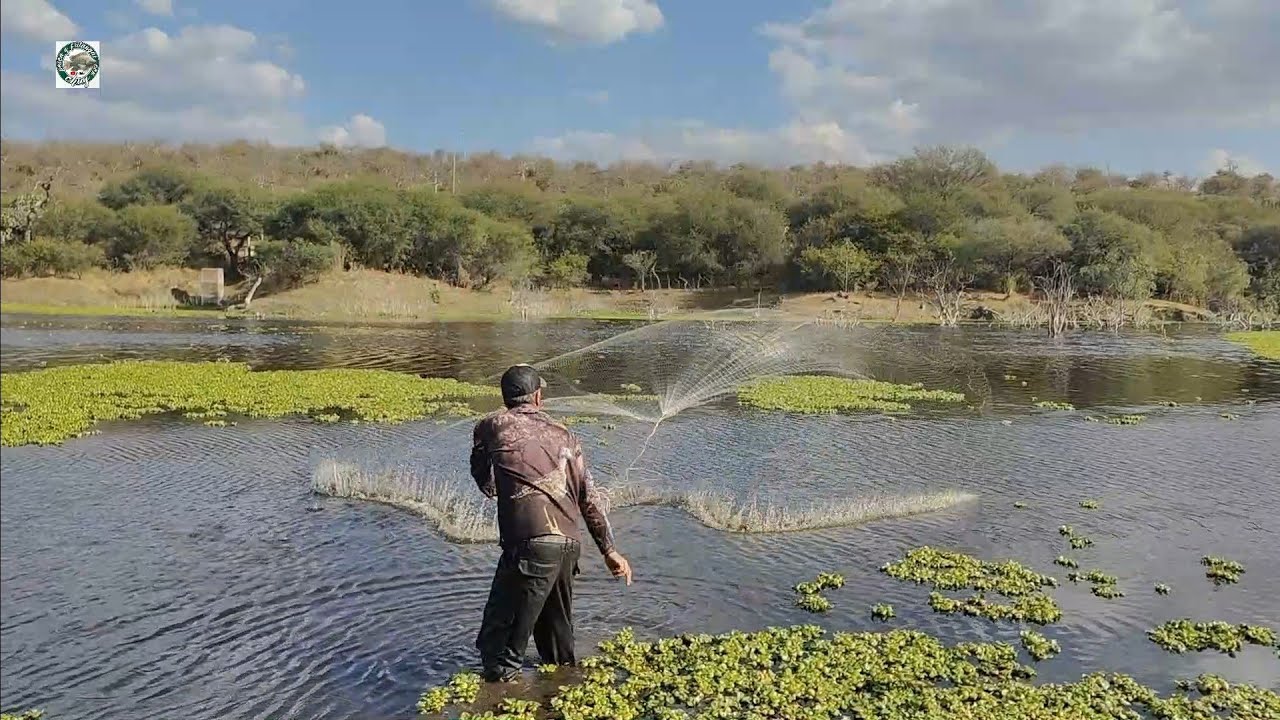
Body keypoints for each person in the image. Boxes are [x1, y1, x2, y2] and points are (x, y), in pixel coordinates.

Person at [470, 364, 633, 682]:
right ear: (539, 397)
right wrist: (609, 550)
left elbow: (481, 474)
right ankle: (563, 697)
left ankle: (499, 702)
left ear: (505, 398)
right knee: (557, 647)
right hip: (568, 546)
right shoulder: (565, 435)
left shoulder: (491, 425)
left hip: (530, 545)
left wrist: (493, 488)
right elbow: (588, 497)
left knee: (499, 649)